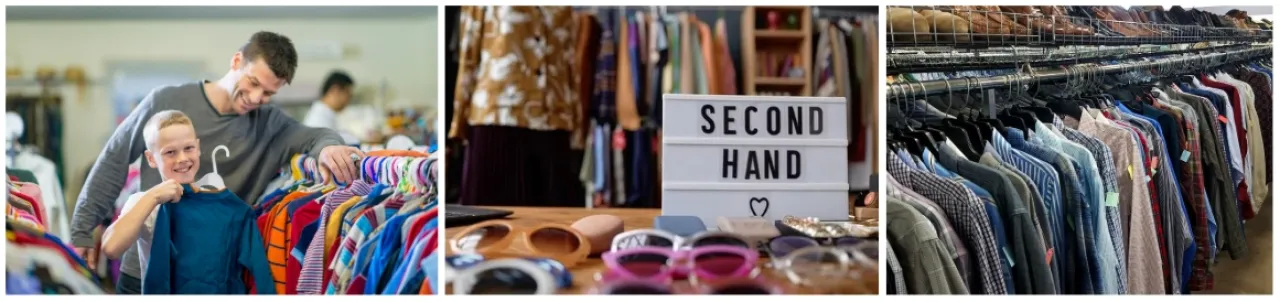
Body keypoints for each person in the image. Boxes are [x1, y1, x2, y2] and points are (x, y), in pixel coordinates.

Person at [71, 31, 365, 294]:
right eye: (253, 83)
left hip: (212, 278)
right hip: (145, 273)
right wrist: (82, 230)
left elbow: (317, 136)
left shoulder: (270, 124)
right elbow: (114, 160)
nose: (256, 97)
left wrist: (329, 149)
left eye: (268, 93)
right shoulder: (165, 101)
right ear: (236, 61)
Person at [99, 110, 198, 293]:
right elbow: (111, 247)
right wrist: (153, 197)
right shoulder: (146, 203)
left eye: (188, 148)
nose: (182, 159)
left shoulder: (218, 201)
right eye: (170, 152)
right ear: (151, 159)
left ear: (198, 148)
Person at [303, 71, 362, 144]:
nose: (348, 100)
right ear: (335, 90)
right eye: (348, 95)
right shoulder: (318, 119)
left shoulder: (326, 113)